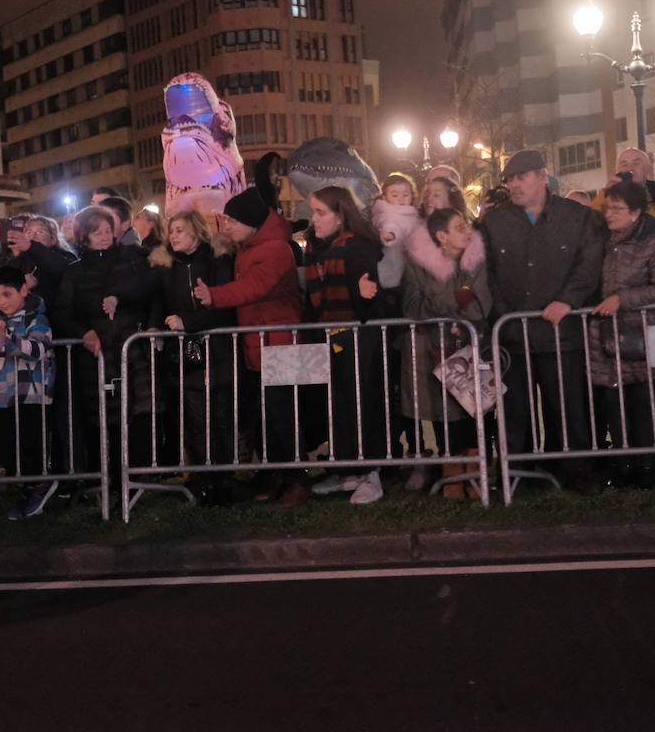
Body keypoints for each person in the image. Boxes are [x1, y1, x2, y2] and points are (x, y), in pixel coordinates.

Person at [478, 148, 603, 487]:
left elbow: (589, 265)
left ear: (541, 177)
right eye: (509, 179)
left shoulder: (576, 217)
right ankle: (521, 474)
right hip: (513, 337)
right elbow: (485, 273)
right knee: (516, 412)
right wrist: (503, 315)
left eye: (520, 177)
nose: (513, 185)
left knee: (568, 407)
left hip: (562, 333)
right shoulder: (494, 222)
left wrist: (567, 300)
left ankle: (574, 471)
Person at [195, 188, 304, 505]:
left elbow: (256, 287)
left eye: (231, 222)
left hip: (283, 344)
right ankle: (277, 475)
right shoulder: (247, 247)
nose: (225, 228)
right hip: (260, 345)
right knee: (269, 417)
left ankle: (298, 478)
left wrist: (215, 295)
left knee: (285, 416)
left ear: (250, 222)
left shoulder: (276, 249)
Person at [53, 205, 158, 482]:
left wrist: (119, 297)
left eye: (107, 230)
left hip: (132, 348)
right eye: (96, 232)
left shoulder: (131, 259)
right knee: (104, 418)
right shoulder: (75, 272)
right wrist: (84, 332)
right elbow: (63, 312)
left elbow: (149, 288)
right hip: (97, 355)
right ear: (84, 236)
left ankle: (139, 474)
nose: (103, 236)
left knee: (140, 412)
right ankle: (109, 477)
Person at [303, 186, 390, 505]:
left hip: (358, 339)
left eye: (320, 213)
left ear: (341, 216)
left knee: (361, 405)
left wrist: (368, 294)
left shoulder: (358, 247)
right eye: (313, 212)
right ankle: (348, 470)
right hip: (331, 336)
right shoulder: (317, 249)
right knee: (338, 407)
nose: (314, 219)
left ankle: (371, 474)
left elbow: (372, 299)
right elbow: (315, 297)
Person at [587, 179, 655, 487]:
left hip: (642, 336)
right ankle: (623, 467)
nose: (609, 214)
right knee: (615, 403)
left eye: (617, 209)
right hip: (607, 337)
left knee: (643, 405)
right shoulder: (601, 238)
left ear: (636, 212)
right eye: (607, 208)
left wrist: (622, 299)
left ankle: (647, 468)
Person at [399, 206, 490, 494]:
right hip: (431, 350)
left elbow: (480, 305)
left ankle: (477, 478)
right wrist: (454, 300)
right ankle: (453, 479)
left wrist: (443, 305)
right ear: (441, 236)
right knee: (442, 414)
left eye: (466, 225)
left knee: (475, 411)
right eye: (459, 227)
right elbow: (413, 307)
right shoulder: (418, 264)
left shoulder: (476, 261)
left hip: (469, 346)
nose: (467, 231)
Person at [149, 210, 238, 503]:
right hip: (186, 352)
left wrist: (189, 322)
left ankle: (226, 477)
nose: (173, 235)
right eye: (171, 230)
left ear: (197, 233)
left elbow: (224, 305)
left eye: (180, 230)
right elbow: (159, 301)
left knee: (221, 415)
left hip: (218, 348)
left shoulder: (216, 260)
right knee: (196, 417)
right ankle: (206, 477)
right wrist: (156, 324)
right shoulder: (167, 266)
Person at [0, 266, 57, 520]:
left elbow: (37, 350)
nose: (2, 302)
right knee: (3, 446)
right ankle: (26, 488)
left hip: (30, 393)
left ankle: (37, 487)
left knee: (29, 445)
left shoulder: (37, 317)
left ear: (23, 290)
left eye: (7, 295)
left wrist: (6, 338)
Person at [591, 147, 655, 222]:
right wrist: (606, 192)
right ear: (617, 171)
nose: (630, 169)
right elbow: (592, 222)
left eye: (636, 163)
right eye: (624, 165)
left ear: (648, 168)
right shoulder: (608, 196)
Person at [372, 173, 422, 291]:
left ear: (412, 196)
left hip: (409, 271)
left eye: (405, 194)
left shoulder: (411, 213)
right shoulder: (388, 213)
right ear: (385, 198)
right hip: (394, 274)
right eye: (395, 195)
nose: (401, 199)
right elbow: (390, 225)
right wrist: (390, 235)